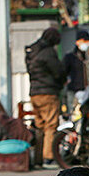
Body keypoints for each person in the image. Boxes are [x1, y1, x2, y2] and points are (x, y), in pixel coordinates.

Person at [25, 27, 66, 168]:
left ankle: (38, 158)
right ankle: (48, 158)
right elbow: (58, 71)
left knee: (39, 126)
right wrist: (62, 81)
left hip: (34, 93)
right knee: (50, 125)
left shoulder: (32, 50)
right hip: (48, 92)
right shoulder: (48, 52)